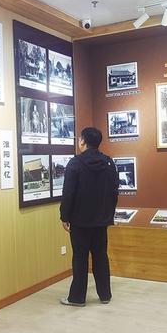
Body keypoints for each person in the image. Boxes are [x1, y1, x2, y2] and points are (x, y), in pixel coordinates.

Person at [59, 127, 119, 306]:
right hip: (101, 220)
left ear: (83, 141)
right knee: (101, 256)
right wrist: (108, 214)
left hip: (79, 221)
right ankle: (105, 295)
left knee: (80, 258)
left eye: (80, 139)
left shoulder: (75, 163)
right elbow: (114, 191)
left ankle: (77, 298)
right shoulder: (108, 162)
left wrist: (64, 216)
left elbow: (68, 193)